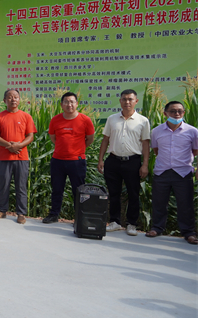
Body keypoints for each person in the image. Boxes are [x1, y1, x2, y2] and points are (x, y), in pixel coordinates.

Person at [96, 89, 151, 236]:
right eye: (124, 99)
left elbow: (146, 144)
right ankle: (115, 221)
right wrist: (101, 159)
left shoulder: (143, 121)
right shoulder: (112, 119)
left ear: (136, 101)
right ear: (120, 101)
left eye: (130, 99)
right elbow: (105, 140)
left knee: (133, 194)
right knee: (114, 193)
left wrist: (145, 164)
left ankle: (132, 224)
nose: (127, 102)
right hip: (113, 161)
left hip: (132, 161)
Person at [145, 101, 198, 245]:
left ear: (184, 113)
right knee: (158, 202)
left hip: (183, 172)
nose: (177, 114)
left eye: (180, 111)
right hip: (162, 171)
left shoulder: (192, 131)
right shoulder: (156, 131)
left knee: (185, 203)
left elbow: (195, 151)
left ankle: (189, 232)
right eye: (173, 111)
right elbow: (156, 150)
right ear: (165, 113)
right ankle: (157, 228)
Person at [43, 92, 95, 224]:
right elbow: (53, 138)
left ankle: (79, 217)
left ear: (77, 104)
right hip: (58, 160)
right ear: (61, 104)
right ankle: (54, 215)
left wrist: (76, 150)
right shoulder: (55, 120)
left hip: (77, 161)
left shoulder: (85, 120)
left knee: (78, 191)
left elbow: (89, 139)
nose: (69, 104)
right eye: (66, 102)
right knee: (56, 189)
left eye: (72, 102)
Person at [0, 89, 37, 224]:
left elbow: (30, 136)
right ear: (4, 100)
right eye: (10, 97)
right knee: (3, 184)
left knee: (21, 186)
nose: (13, 99)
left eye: (16, 97)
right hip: (4, 157)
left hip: (21, 158)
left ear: (19, 99)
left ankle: (21, 213)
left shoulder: (26, 116)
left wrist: (19, 145)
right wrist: (9, 145)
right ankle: (2, 210)